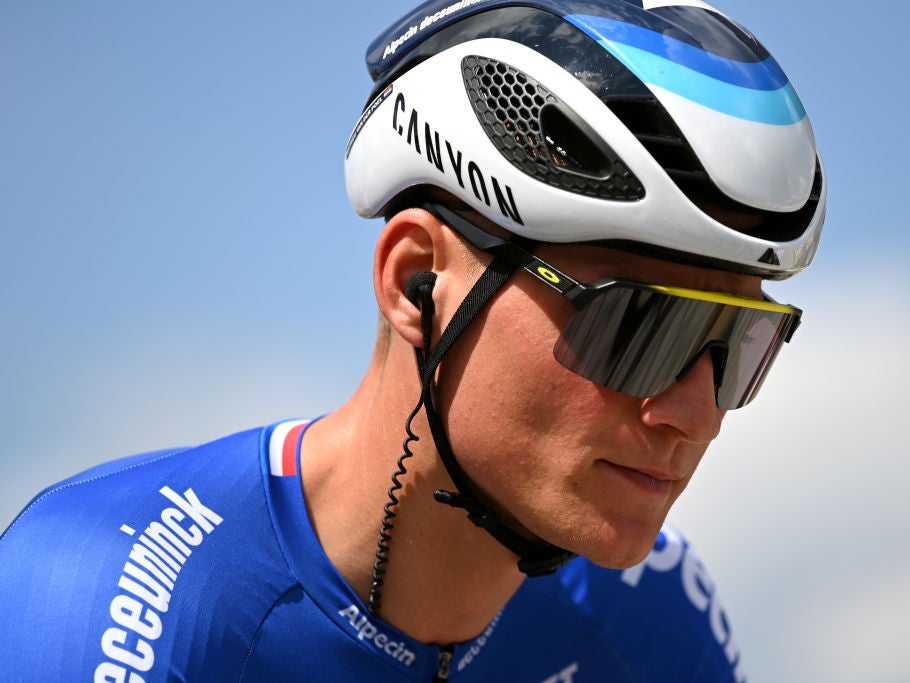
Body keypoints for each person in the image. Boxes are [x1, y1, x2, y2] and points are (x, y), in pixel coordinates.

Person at [0, 0, 825, 680]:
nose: (695, 413)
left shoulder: (652, 615)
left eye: (740, 344)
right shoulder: (101, 600)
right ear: (415, 283)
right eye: (639, 326)